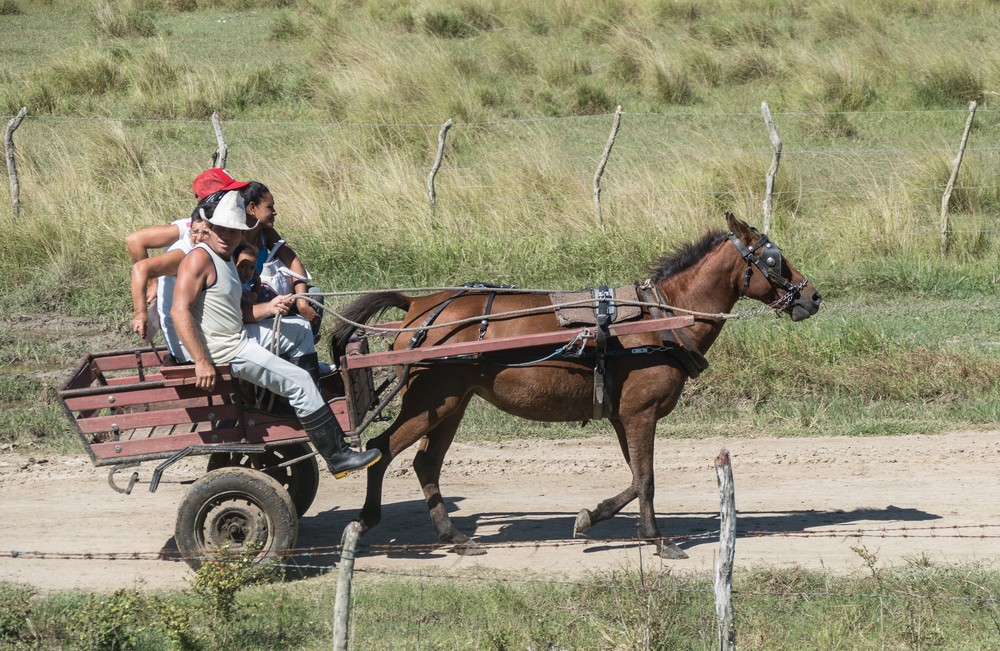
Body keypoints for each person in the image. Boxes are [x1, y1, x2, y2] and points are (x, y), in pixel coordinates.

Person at [171, 191, 379, 478]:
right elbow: (179, 311)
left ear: (241, 233)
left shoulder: (227, 259)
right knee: (300, 381)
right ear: (209, 227)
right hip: (225, 350)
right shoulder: (199, 260)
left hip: (236, 334)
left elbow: (239, 312)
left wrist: (269, 307)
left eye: (233, 231)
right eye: (221, 229)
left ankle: (301, 406)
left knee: (300, 330)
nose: (226, 236)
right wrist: (201, 361)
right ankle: (338, 456)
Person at [126, 168, 250, 305]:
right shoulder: (188, 228)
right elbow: (134, 240)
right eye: (228, 192)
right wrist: (152, 283)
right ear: (213, 197)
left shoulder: (229, 228)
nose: (235, 196)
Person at [240, 182, 324, 341]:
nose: (275, 212)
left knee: (312, 296)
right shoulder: (235, 236)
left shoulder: (265, 232)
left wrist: (301, 302)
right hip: (246, 301)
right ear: (252, 208)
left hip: (267, 294)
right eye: (270, 207)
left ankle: (306, 348)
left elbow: (293, 261)